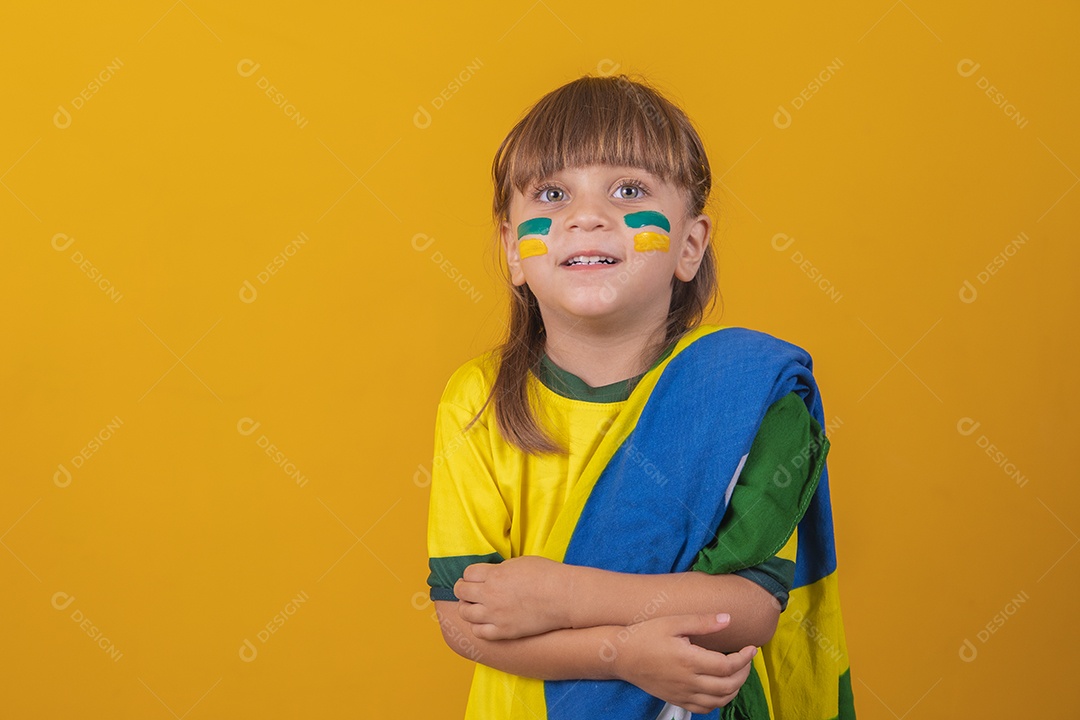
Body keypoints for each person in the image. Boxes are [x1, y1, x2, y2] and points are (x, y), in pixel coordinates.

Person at [425, 73, 854, 719]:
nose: (587, 216)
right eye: (551, 193)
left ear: (689, 245)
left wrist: (566, 596)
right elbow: (462, 619)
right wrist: (619, 653)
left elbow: (753, 608)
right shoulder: (477, 400)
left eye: (629, 190)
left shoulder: (747, 391)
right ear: (515, 252)